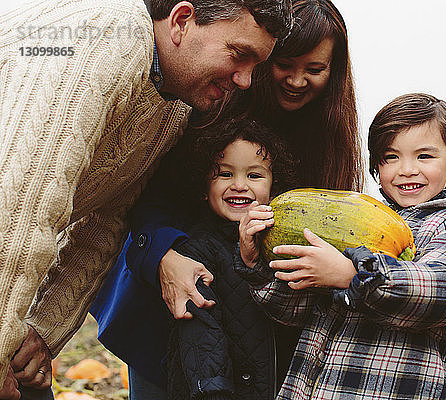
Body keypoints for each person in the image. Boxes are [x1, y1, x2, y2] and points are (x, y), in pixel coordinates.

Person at [0, 0, 292, 398]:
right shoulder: (105, 35)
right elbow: (19, 206)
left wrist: (41, 332)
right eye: (239, 56)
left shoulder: (169, 107)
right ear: (181, 21)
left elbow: (104, 224)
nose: (245, 80)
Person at [90, 0, 361, 396]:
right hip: (179, 298)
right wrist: (165, 256)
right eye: (286, 63)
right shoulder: (207, 103)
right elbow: (145, 194)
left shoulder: (325, 139)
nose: (298, 80)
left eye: (315, 69)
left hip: (266, 325)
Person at [237, 93, 446, 399]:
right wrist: (255, 261)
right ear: (376, 166)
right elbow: (292, 311)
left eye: (424, 156)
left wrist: (353, 276)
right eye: (391, 157)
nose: (406, 169)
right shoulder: (356, 223)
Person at [161, 117, 297, 400]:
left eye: (254, 176)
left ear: (274, 186)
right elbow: (199, 330)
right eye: (224, 174)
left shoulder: (283, 244)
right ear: (204, 184)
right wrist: (213, 391)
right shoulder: (196, 249)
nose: (239, 185)